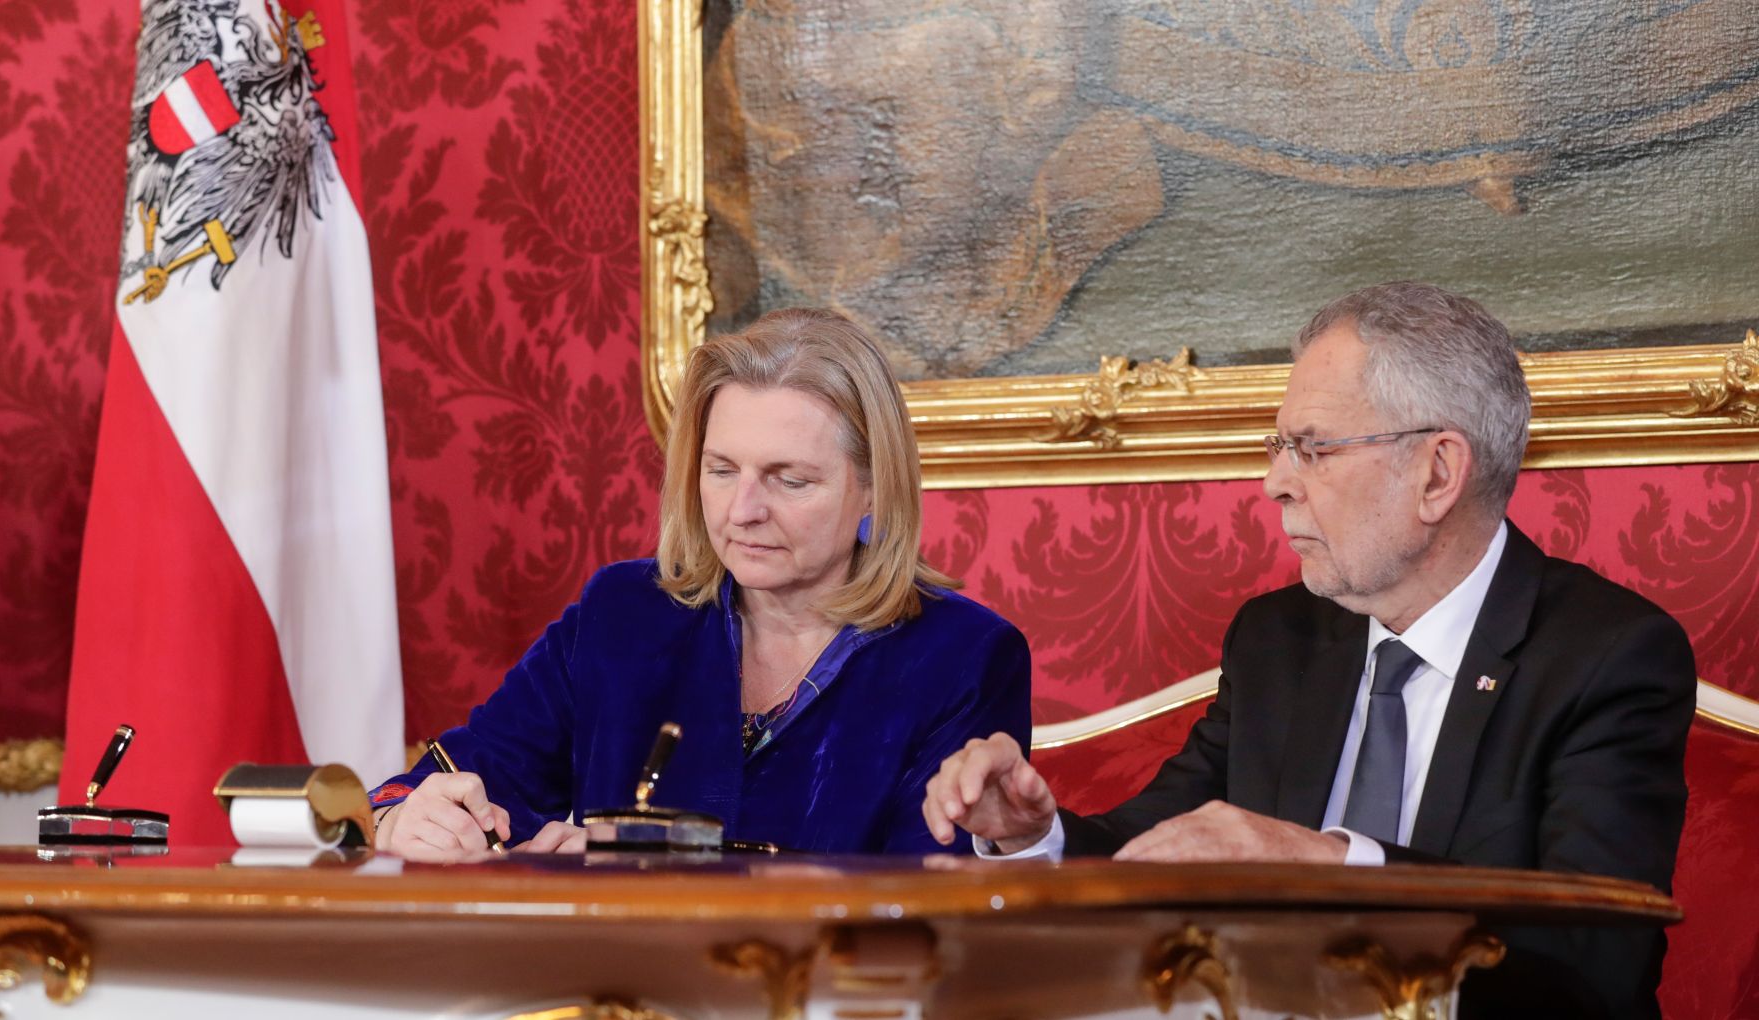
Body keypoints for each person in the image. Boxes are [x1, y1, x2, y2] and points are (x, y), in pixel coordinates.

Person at [923, 282, 1695, 1019]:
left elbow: (1595, 962)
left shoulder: (1607, 657)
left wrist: (1332, 864)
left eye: (1312, 450)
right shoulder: (1279, 640)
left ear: (1437, 473)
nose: (1272, 484)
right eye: (1278, 447)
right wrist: (1033, 836)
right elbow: (1153, 848)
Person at [371, 307, 1031, 860]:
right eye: (720, 470)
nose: (742, 510)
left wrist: (609, 876)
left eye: (789, 479)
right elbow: (450, 783)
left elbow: (925, 902)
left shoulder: (963, 657)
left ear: (873, 491)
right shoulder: (624, 615)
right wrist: (410, 820)